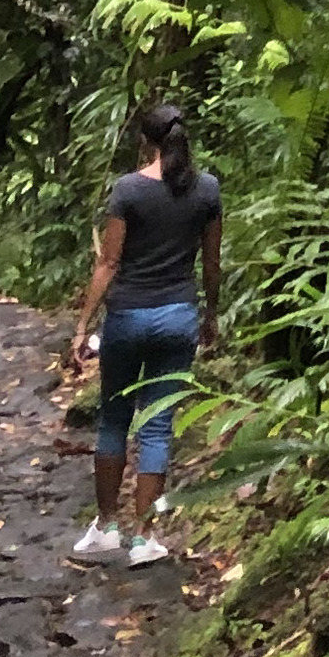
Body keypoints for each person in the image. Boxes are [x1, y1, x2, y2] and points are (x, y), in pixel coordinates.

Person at [63, 99, 221, 567]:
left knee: (113, 418)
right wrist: (210, 314)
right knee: (157, 426)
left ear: (144, 141)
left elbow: (108, 262)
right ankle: (144, 537)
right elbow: (211, 263)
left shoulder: (128, 190)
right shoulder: (207, 189)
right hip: (178, 318)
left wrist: (81, 328)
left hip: (128, 317)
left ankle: (106, 526)